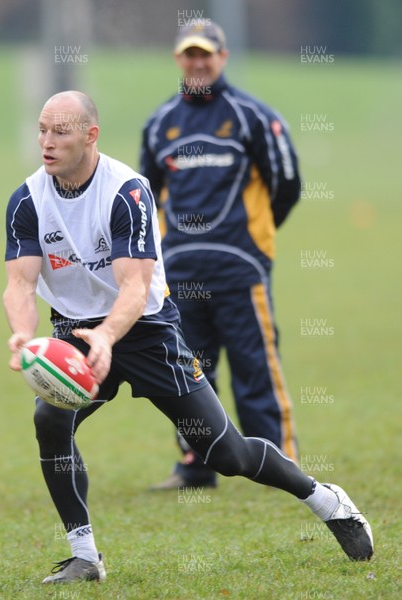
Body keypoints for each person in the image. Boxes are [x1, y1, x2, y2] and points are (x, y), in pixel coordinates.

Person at [3, 90, 373, 585]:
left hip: (147, 332)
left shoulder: (126, 191)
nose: (46, 141)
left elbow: (134, 287)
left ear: (90, 136)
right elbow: (20, 283)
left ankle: (327, 500)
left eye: (60, 131)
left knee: (228, 454)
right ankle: (84, 555)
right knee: (49, 418)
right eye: (42, 130)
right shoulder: (27, 199)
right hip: (73, 333)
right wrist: (24, 338)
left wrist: (109, 337)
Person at [140, 22, 301, 490]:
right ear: (177, 60)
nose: (198, 63)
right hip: (180, 272)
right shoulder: (159, 123)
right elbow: (144, 198)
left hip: (240, 267)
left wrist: (253, 238)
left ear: (223, 57)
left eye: (206, 55)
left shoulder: (252, 116)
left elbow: (287, 185)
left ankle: (278, 467)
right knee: (187, 372)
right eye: (189, 55)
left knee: (255, 369)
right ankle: (195, 466)